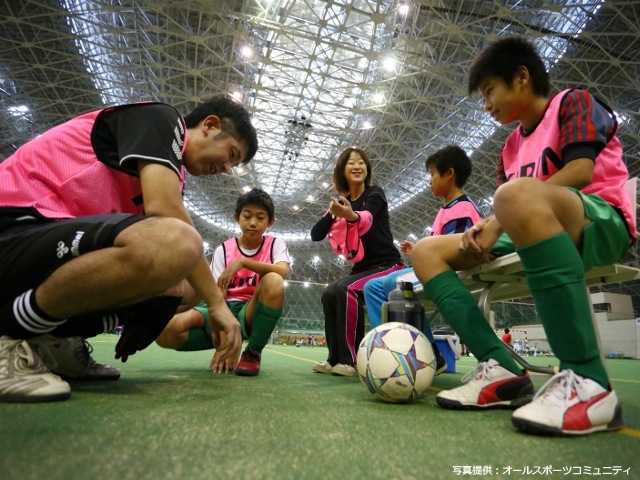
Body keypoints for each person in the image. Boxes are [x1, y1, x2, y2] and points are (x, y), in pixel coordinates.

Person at [410, 36, 635, 436]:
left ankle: (589, 381)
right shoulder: (511, 146)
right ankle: (502, 367)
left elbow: (581, 173)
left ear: (521, 77)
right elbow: (513, 205)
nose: (487, 104)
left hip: (598, 219)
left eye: (489, 91)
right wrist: (487, 228)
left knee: (513, 196)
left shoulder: (573, 102)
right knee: (427, 251)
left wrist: (498, 218)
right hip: (529, 220)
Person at [0, 95, 258, 402]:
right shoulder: (161, 118)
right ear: (209, 124)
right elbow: (165, 210)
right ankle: (11, 333)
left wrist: (202, 295)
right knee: (179, 243)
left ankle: (56, 340)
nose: (226, 167)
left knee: (187, 286)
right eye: (230, 153)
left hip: (49, 245)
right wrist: (217, 303)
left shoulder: (174, 176)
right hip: (15, 225)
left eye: (233, 164)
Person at [363, 145, 482, 375]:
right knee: (372, 287)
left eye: (432, 174)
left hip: (448, 272)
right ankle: (389, 350)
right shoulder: (446, 209)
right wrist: (418, 250)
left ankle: (427, 355)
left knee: (395, 284)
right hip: (433, 266)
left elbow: (457, 253)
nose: (429, 181)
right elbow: (441, 246)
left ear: (449, 174)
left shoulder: (463, 209)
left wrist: (423, 254)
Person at [156, 188, 290, 376]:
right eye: (247, 216)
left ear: (271, 222)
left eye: (260, 218)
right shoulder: (223, 249)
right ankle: (225, 344)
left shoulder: (275, 243)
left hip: (249, 311)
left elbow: (283, 270)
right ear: (237, 217)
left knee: (274, 280)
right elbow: (218, 293)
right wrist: (221, 339)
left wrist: (243, 262)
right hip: (222, 307)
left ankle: (252, 353)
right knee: (166, 332)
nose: (253, 223)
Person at [310, 147, 404, 376]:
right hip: (363, 268)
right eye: (351, 162)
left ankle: (352, 360)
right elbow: (315, 234)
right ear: (342, 171)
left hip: (387, 265)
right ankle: (334, 358)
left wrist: (349, 215)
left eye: (361, 162)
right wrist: (333, 214)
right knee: (330, 292)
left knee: (346, 289)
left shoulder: (375, 193)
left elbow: (367, 218)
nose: (357, 166)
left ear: (367, 169)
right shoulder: (341, 204)